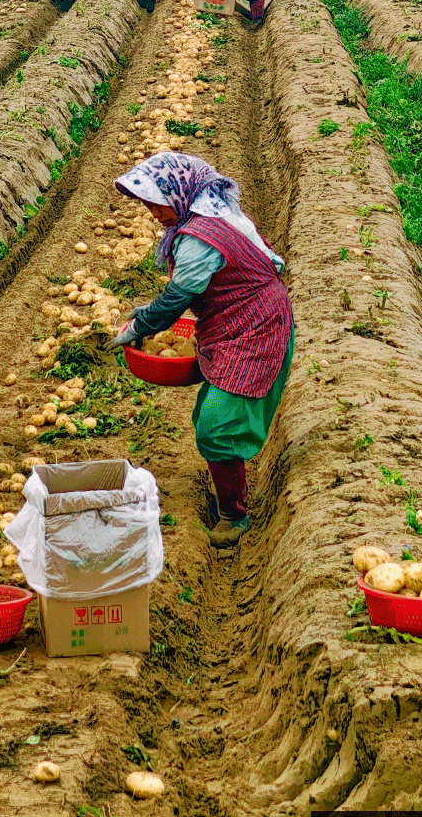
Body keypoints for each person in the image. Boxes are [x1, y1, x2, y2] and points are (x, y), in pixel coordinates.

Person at [110, 154, 293, 547]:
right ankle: (227, 486)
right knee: (211, 415)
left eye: (158, 202)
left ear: (179, 194)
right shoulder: (209, 215)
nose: (154, 212)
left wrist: (140, 326)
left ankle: (234, 516)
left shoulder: (200, 235)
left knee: (216, 424)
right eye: (147, 204)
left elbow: (177, 299)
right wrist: (149, 314)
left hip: (255, 328)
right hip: (234, 322)